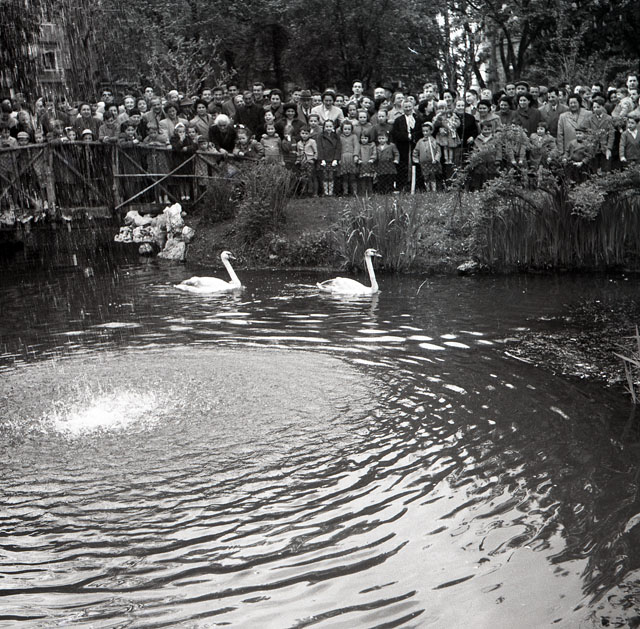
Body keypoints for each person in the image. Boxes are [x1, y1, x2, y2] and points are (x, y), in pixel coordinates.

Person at [392, 99, 423, 191]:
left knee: (416, 164)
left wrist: (413, 136)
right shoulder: (398, 120)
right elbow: (395, 133)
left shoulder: (418, 119)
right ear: (402, 108)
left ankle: (416, 185)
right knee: (403, 165)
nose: (408, 109)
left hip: (415, 145)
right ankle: (402, 185)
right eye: (406, 107)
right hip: (403, 146)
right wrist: (406, 136)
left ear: (412, 107)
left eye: (409, 106)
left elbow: (420, 131)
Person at [587, 96, 615, 172]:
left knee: (606, 168)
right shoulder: (590, 119)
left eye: (598, 107)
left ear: (602, 107)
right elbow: (589, 133)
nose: (596, 109)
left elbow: (611, 135)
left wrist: (609, 148)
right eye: (594, 107)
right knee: (594, 169)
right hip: (594, 148)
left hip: (605, 147)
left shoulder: (608, 118)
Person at [412, 121, 441, 191]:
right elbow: (416, 151)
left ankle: (434, 189)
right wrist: (416, 159)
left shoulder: (434, 141)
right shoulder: (420, 141)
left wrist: (436, 159)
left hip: (432, 162)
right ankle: (427, 189)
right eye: (423, 131)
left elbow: (438, 151)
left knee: (433, 175)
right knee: (425, 176)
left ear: (431, 131)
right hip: (423, 162)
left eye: (426, 131)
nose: (425, 133)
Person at [316, 119, 341, 196]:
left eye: (330, 126)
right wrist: (322, 159)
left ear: (333, 127)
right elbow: (319, 148)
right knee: (324, 176)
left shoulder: (336, 136)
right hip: (324, 158)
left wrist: (336, 159)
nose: (328, 128)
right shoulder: (320, 136)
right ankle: (325, 191)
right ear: (324, 127)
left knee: (332, 176)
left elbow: (338, 148)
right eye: (327, 126)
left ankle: (331, 191)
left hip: (332, 158)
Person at [338, 120, 360, 195]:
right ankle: (345, 191)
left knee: (352, 175)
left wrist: (356, 155)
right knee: (344, 176)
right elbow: (338, 148)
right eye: (345, 129)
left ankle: (354, 191)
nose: (347, 131)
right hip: (343, 157)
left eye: (349, 129)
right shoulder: (340, 137)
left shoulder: (354, 137)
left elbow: (356, 146)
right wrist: (339, 158)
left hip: (351, 157)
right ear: (342, 129)